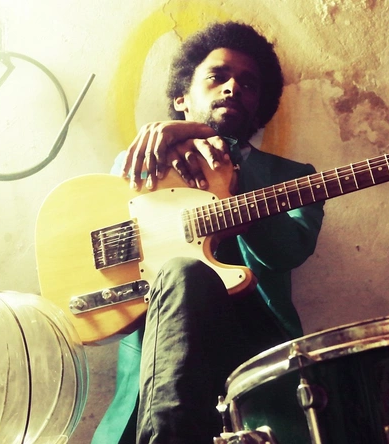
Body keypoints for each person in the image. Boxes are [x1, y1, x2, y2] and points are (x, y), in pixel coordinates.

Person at [92, 21, 325, 444]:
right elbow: (100, 233)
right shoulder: (146, 163)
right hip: (161, 359)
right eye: (217, 77)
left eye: (248, 85)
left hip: (255, 348)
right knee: (183, 272)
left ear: (259, 108)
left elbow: (289, 250)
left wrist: (230, 182)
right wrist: (190, 138)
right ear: (181, 98)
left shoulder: (293, 177)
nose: (233, 88)